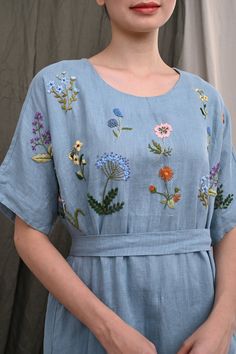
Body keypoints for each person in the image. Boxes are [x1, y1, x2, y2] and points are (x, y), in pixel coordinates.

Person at [0, 0, 236, 353]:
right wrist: (107, 330)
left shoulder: (206, 100)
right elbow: (28, 234)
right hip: (95, 320)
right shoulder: (58, 89)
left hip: (199, 323)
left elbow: (227, 223)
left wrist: (223, 322)